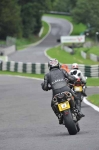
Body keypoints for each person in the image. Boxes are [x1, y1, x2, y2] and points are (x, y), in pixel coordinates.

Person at [41, 59, 85, 124]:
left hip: (56, 93)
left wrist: (47, 87)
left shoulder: (47, 75)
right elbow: (70, 78)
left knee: (52, 105)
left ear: (49, 66)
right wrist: (75, 79)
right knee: (76, 98)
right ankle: (79, 112)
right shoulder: (62, 71)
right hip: (66, 90)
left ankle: (59, 116)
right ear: (58, 65)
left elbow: (45, 87)